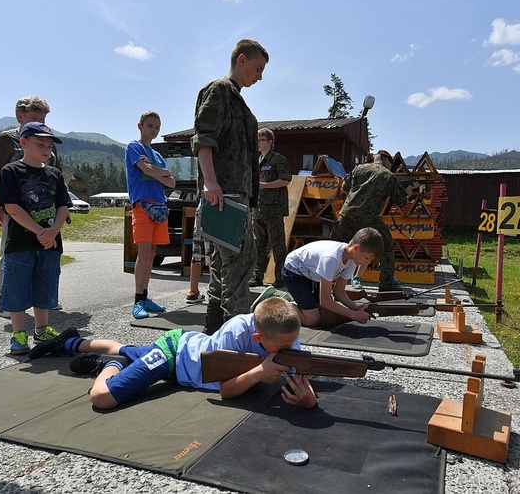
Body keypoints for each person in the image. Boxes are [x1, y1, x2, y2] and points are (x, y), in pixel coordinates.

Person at [28, 297, 317, 410]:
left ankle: (68, 342)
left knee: (125, 348)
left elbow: (300, 374)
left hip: (180, 358)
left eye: (293, 345)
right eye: (284, 348)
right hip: (174, 354)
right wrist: (258, 373)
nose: (291, 351)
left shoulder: (285, 338)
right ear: (257, 338)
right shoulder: (235, 332)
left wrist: (309, 398)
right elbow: (227, 391)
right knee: (103, 398)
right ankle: (112, 365)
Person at [191, 38, 268, 334]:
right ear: (242, 60)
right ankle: (236, 332)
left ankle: (214, 327)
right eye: (258, 69)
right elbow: (204, 138)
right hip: (223, 193)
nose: (259, 76)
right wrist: (210, 182)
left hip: (235, 194)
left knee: (225, 265)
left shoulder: (236, 97)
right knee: (243, 260)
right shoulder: (220, 90)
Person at [0, 122, 72, 355]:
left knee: (45, 286)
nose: (46, 150)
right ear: (24, 143)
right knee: (16, 288)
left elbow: (63, 206)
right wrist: (40, 231)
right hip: (20, 244)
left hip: (50, 244)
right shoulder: (11, 171)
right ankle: (19, 334)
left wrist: (52, 232)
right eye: (40, 145)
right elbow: (11, 207)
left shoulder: (55, 174)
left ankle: (42, 329)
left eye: (49, 146)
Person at [0, 96, 62, 319]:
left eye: (43, 117)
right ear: (20, 116)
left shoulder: (47, 142)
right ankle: (6, 301)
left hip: (44, 208)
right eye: (34, 117)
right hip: (13, 207)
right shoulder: (6, 140)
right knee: (11, 252)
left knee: (44, 252)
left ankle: (43, 298)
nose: (41, 121)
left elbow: (56, 173)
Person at [330, 150, 418, 292]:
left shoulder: (359, 169)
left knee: (334, 247)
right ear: (386, 160)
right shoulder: (387, 175)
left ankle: (323, 281)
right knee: (387, 247)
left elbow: (345, 187)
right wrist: (408, 193)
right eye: (391, 163)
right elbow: (401, 202)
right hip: (370, 219)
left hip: (347, 215)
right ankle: (386, 285)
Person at [125, 111, 176, 319]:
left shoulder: (156, 155)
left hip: (159, 207)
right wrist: (158, 172)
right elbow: (146, 172)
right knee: (144, 251)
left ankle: (145, 297)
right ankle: (137, 300)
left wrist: (155, 170)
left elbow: (172, 182)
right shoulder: (134, 147)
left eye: (157, 127)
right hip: (142, 206)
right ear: (140, 126)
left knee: (153, 252)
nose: (153, 130)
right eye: (150, 126)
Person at [278, 227, 384, 328]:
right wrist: (354, 315)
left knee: (325, 314)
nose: (367, 262)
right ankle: (277, 304)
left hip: (312, 275)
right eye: (367, 258)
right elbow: (325, 301)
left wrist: (356, 308)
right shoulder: (331, 259)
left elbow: (339, 292)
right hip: (294, 271)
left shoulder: (352, 259)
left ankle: (300, 303)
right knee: (312, 320)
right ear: (356, 248)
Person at [249, 127, 291, 289]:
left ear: (271, 142)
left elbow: (285, 180)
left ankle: (281, 277)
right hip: (258, 209)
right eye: (257, 140)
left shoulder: (277, 159)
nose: (258, 143)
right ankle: (257, 276)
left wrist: (264, 186)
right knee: (258, 245)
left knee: (277, 244)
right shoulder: (257, 160)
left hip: (274, 209)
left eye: (262, 140)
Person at [185, 203, 211, 304]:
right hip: (215, 207)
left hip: (203, 206)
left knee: (197, 254)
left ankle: (193, 292)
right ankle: (216, 293)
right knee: (213, 255)